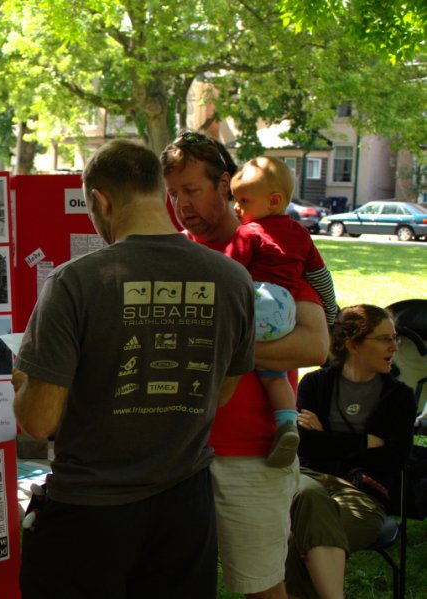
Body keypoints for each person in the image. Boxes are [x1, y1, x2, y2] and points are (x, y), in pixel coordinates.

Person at [13, 139, 256, 598]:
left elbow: (38, 420)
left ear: (102, 200)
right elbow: (220, 391)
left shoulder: (74, 282)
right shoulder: (232, 279)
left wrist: (25, 381)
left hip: (90, 513)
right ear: (161, 193)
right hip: (186, 510)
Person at [161, 131, 329, 599]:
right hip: (173, 456)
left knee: (261, 589)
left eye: (191, 190)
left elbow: (315, 345)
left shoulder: (268, 246)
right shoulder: (167, 253)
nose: (181, 205)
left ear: (225, 187)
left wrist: (217, 350)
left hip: (252, 454)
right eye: (172, 194)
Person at [287, 304, 415, 599]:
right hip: (307, 481)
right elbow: (305, 444)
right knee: (308, 492)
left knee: (296, 542)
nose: (395, 347)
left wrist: (327, 439)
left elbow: (394, 459)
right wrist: (365, 442)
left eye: (395, 338)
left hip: (363, 497)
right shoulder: (315, 384)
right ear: (353, 344)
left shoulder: (399, 397)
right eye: (384, 339)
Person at [228, 156, 339, 467]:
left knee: (225, 352)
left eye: (243, 200)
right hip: (285, 313)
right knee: (274, 374)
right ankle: (287, 424)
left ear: (273, 200)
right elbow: (320, 277)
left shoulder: (248, 233)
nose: (237, 208)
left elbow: (229, 273)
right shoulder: (301, 234)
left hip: (256, 301)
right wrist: (330, 314)